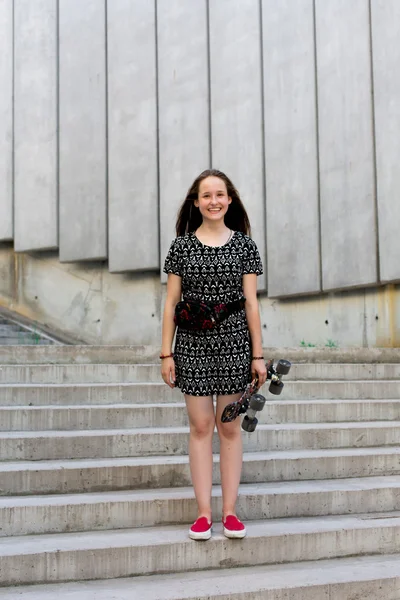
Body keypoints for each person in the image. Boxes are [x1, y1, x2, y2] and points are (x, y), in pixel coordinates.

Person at [161, 169, 266, 541]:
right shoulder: (181, 248)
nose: (214, 201)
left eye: (220, 194)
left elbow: (252, 303)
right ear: (196, 202)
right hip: (191, 344)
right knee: (201, 427)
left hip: (235, 343)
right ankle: (204, 514)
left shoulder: (245, 247)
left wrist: (258, 355)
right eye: (206, 195)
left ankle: (230, 513)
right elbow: (172, 301)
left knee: (230, 427)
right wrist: (165, 353)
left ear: (230, 199)